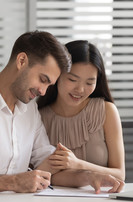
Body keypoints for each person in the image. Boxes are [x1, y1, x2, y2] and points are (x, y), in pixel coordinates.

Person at [0, 31, 124, 194]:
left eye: (50, 85)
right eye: (43, 79)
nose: (43, 92)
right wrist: (12, 182)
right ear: (21, 61)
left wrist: (88, 176)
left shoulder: (29, 111)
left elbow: (49, 166)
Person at [37, 40, 125, 187]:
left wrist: (78, 164)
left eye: (90, 83)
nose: (80, 90)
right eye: (72, 79)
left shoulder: (106, 111)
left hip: (101, 201)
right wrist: (85, 175)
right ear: (57, 75)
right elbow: (36, 175)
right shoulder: (39, 118)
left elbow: (120, 174)